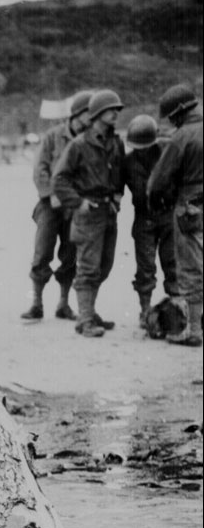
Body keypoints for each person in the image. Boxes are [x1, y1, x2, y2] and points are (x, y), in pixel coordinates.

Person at [53, 89, 127, 338]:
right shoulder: (79, 145)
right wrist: (78, 202)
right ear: (97, 114)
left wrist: (117, 195)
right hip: (88, 214)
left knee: (104, 266)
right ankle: (85, 320)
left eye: (117, 109)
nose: (116, 113)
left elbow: (120, 173)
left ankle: (89, 312)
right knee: (87, 268)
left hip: (108, 212)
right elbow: (59, 179)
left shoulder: (115, 142)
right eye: (110, 109)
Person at [23, 89, 94, 322]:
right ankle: (37, 303)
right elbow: (39, 169)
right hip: (49, 205)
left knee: (71, 254)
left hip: (73, 206)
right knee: (42, 252)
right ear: (76, 114)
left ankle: (63, 304)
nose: (90, 119)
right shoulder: (52, 136)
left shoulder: (88, 140)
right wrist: (51, 193)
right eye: (87, 114)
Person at [148, 84, 203, 347]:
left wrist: (157, 201)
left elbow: (157, 182)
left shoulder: (182, 137)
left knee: (191, 268)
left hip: (191, 209)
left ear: (178, 114)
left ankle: (194, 331)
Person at [121, 114, 179, 337]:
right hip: (143, 218)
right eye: (138, 147)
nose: (142, 150)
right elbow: (117, 187)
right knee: (145, 267)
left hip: (167, 215)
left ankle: (176, 309)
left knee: (172, 263)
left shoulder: (167, 151)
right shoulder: (127, 162)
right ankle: (145, 310)